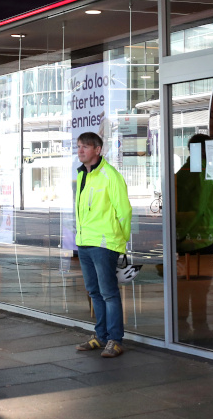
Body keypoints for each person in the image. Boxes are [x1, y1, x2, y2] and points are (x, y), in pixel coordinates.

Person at [73, 131, 132, 358]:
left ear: (97, 150)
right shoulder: (82, 175)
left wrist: (120, 240)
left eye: (85, 147)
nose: (80, 151)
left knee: (108, 293)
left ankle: (115, 340)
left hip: (104, 243)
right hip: (85, 242)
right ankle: (101, 336)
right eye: (78, 146)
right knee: (94, 292)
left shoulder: (110, 176)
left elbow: (124, 211)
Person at [175, 134, 213, 341]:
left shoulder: (186, 171)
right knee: (199, 288)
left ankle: (183, 326)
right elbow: (197, 207)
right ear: (202, 151)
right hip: (201, 242)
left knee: (186, 286)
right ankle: (199, 328)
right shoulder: (199, 172)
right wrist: (180, 235)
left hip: (191, 240)